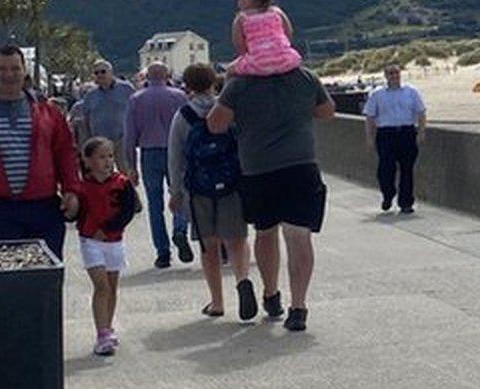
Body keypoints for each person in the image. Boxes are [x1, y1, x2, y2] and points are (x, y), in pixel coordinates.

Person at [207, 67, 336, 332]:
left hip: (258, 168)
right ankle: (298, 307)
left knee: (265, 232)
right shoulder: (305, 77)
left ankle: (271, 293)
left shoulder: (240, 83)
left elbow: (215, 124)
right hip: (301, 163)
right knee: (299, 236)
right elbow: (327, 112)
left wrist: (231, 88)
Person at [0, 45, 80, 259]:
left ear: (24, 71)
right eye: (2, 69)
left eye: (15, 68)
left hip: (42, 208)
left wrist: (71, 190)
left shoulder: (48, 111)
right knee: (0, 284)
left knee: (44, 282)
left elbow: (65, 152)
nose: (9, 75)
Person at [168, 64, 255, 320]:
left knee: (209, 245)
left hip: (199, 189)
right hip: (231, 184)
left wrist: (175, 192)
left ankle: (217, 302)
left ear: (188, 85)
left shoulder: (183, 115)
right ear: (213, 82)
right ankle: (242, 279)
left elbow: (175, 158)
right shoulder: (227, 109)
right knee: (237, 240)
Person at [123, 62, 193, 269]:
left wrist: (131, 166)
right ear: (167, 75)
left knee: (155, 204)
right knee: (178, 194)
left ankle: (162, 252)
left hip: (149, 151)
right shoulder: (179, 96)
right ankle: (180, 229)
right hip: (176, 151)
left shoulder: (136, 99)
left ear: (147, 76)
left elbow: (129, 135)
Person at [76, 137, 138, 356]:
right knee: (101, 286)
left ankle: (108, 327)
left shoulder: (121, 183)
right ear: (88, 161)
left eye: (110, 156)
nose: (107, 161)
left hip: (114, 241)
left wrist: (110, 227)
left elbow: (129, 210)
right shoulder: (82, 187)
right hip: (90, 241)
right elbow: (76, 214)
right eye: (101, 157)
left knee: (112, 287)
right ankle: (101, 334)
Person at [363, 65, 427, 214]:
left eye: (396, 73)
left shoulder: (411, 92)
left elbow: (421, 113)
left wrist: (421, 132)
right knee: (385, 169)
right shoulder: (377, 94)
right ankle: (388, 194)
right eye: (390, 73)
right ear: (385, 75)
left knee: (407, 170)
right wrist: (369, 137)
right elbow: (370, 117)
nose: (394, 76)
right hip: (386, 135)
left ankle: (406, 202)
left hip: (407, 133)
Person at [228, 0, 302, 76]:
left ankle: (222, 91)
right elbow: (288, 33)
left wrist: (248, 56)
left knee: (230, 71)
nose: (239, 2)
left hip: (258, 63)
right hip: (285, 59)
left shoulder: (241, 18)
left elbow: (239, 45)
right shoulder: (277, 12)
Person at [83, 60, 136, 172]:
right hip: (100, 141)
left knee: (126, 173)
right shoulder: (90, 95)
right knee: (104, 174)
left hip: (121, 139)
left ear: (111, 72)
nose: (100, 75)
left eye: (103, 71)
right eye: (96, 73)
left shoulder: (126, 89)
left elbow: (136, 111)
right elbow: (86, 118)